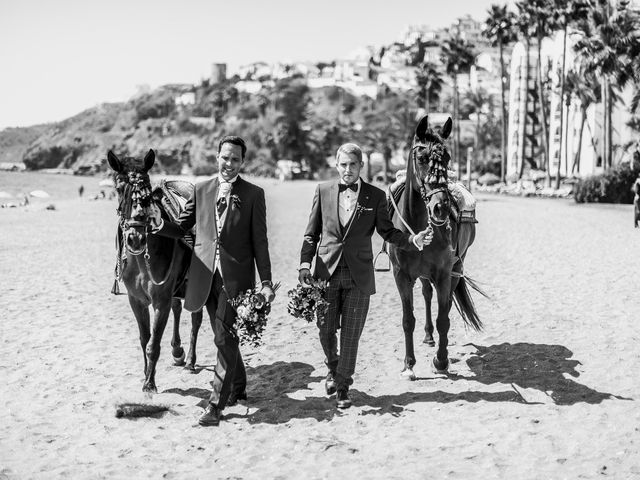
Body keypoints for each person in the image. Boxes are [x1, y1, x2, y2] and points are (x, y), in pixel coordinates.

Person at [298, 143, 433, 409]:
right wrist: (304, 264)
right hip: (325, 273)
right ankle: (332, 368)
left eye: (353, 165)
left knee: (351, 334)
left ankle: (343, 386)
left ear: (361, 166)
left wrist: (413, 240)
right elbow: (311, 233)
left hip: (360, 274)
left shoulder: (375, 195)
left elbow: (388, 232)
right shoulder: (322, 191)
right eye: (343, 164)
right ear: (336, 165)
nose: (348, 170)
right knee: (325, 330)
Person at [152, 135, 275, 426]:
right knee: (224, 336)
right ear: (216, 157)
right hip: (204, 276)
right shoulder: (202, 189)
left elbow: (260, 242)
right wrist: (158, 225)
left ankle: (215, 405)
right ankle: (240, 387)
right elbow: (182, 226)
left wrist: (267, 282)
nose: (229, 164)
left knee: (223, 336)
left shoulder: (254, 195)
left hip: (237, 280)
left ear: (242, 162)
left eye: (235, 159)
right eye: (225, 157)